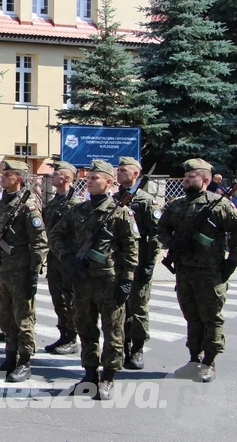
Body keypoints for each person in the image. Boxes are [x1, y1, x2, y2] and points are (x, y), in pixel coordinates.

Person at [49, 159, 138, 400]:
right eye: (87, 178)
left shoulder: (120, 213)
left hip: (109, 281)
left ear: (109, 182)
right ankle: (89, 375)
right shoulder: (77, 210)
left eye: (95, 178)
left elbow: (130, 249)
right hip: (82, 280)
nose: (89, 181)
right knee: (86, 329)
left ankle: (108, 377)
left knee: (113, 331)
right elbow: (55, 234)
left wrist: (127, 279)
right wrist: (66, 256)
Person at [157, 158, 237, 384]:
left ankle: (209, 362)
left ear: (205, 180)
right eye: (185, 175)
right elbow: (161, 229)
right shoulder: (177, 204)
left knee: (210, 317)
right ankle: (194, 359)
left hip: (210, 272)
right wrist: (171, 242)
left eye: (192, 176)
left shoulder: (220, 205)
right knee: (191, 316)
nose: (186, 179)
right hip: (184, 271)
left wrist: (231, 262)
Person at [0, 159, 47, 383]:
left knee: (24, 319)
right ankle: (10, 358)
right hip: (2, 271)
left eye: (8, 173)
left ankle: (25, 362)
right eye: (4, 172)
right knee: (6, 317)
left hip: (21, 272)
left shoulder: (28, 207)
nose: (3, 176)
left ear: (19, 178)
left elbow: (40, 242)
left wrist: (33, 273)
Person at [115, 156, 162, 370]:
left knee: (138, 308)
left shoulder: (145, 201)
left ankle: (137, 349)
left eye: (123, 170)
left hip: (139, 263)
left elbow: (155, 236)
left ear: (135, 174)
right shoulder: (114, 198)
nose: (119, 173)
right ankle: (122, 346)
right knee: (119, 308)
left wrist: (149, 264)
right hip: (118, 264)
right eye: (118, 169)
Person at [42, 161, 82, 355]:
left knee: (70, 298)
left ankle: (72, 337)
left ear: (67, 178)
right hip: (54, 257)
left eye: (57, 173)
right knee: (58, 298)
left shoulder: (76, 204)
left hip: (68, 258)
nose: (53, 176)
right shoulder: (53, 202)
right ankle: (64, 334)